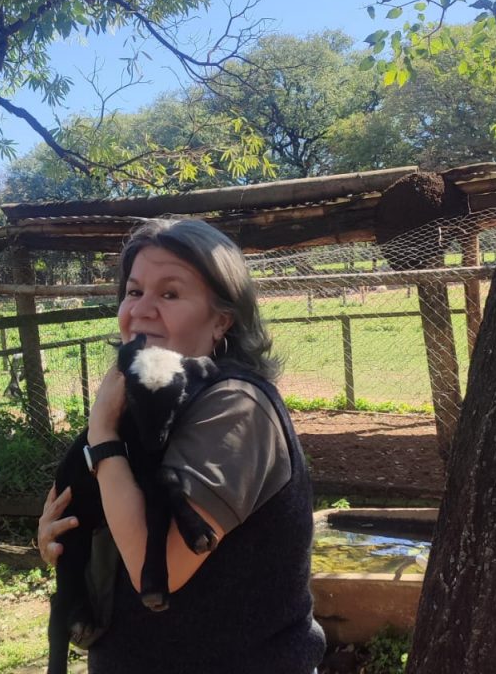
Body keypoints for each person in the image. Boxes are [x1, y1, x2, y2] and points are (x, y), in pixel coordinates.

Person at [38, 218, 325, 674]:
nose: (142, 309)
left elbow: (159, 573)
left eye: (170, 294)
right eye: (134, 291)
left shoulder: (236, 408)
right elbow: (112, 514)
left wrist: (102, 437)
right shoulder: (144, 399)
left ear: (222, 320)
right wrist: (64, 538)